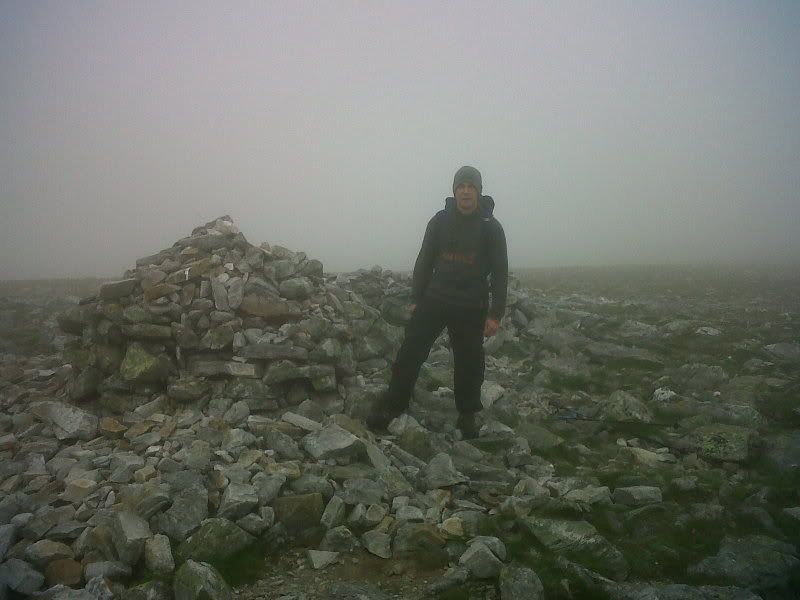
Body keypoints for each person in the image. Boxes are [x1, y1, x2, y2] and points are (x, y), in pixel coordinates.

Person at [367, 166, 508, 439]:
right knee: (410, 351)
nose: (466, 191)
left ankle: (467, 414)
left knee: (469, 361)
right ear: (454, 190)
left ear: (479, 191)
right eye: (461, 186)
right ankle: (394, 404)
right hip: (436, 297)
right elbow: (425, 259)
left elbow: (501, 272)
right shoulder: (440, 221)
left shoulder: (491, 228)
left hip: (472, 303)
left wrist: (496, 314)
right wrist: (415, 298)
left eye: (471, 186)